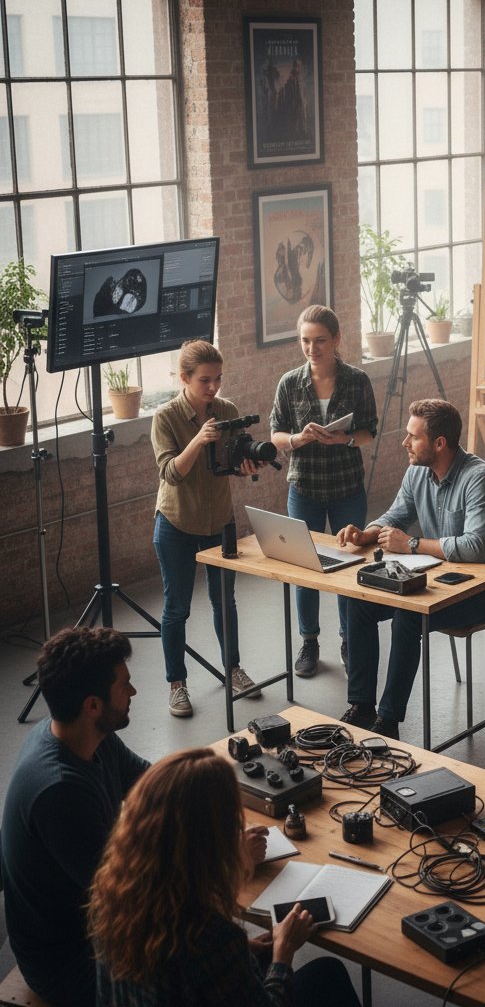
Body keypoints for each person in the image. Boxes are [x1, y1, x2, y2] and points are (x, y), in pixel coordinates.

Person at [88, 748, 360, 1007]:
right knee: (328, 973)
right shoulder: (211, 937)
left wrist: (244, 950)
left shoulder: (110, 896)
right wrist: (283, 952)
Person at [338, 399, 485, 740]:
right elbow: (395, 516)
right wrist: (368, 532)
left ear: (439, 443)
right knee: (355, 602)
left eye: (412, 437)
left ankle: (388, 721)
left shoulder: (479, 479)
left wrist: (412, 545)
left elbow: (474, 547)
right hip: (437, 581)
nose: (405, 443)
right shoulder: (416, 471)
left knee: (409, 616)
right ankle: (361, 707)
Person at [0, 626, 149, 1007]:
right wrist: (225, 862)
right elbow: (133, 899)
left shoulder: (86, 735)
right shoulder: (60, 792)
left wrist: (211, 783)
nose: (132, 692)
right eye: (124, 685)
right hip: (71, 965)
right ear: (93, 705)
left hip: (95, 925)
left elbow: (152, 783)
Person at [152, 339, 265, 717]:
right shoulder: (165, 417)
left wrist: (246, 464)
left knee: (224, 602)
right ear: (184, 378)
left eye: (218, 378)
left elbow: (234, 459)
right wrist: (199, 440)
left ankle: (232, 669)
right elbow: (171, 473)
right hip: (176, 524)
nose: (213, 387)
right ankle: (177, 684)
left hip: (219, 522)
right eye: (204, 380)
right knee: (176, 608)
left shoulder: (227, 410)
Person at [270, 305, 378, 679]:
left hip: (347, 486)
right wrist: (298, 439)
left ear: (336, 340)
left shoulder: (357, 380)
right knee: (306, 567)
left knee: (349, 566)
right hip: (305, 487)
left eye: (319, 341)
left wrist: (344, 439)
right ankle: (309, 641)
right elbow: (276, 434)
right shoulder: (289, 383)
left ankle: (349, 638)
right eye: (305, 341)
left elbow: (369, 431)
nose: (311, 349)